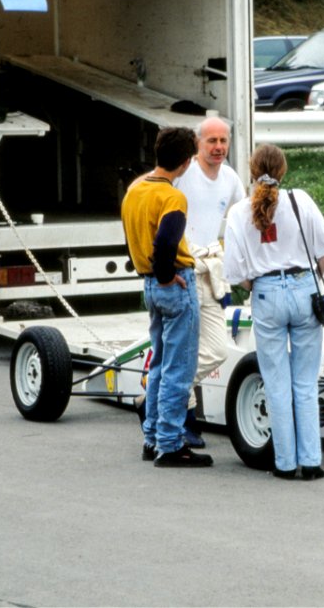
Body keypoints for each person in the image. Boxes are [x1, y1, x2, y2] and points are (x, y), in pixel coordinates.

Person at [222, 144, 324, 481]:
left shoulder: (238, 213)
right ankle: (312, 461)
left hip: (266, 292)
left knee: (276, 382)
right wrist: (306, 283)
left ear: (251, 171)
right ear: (283, 170)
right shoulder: (301, 200)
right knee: (305, 382)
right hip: (304, 289)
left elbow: (235, 273)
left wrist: (260, 285)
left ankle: (284, 463)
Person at [121, 126, 212, 468]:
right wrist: (166, 274)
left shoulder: (135, 189)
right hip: (174, 284)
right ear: (187, 162)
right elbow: (167, 242)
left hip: (148, 285)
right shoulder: (173, 197)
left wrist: (154, 276)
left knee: (159, 363)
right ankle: (171, 444)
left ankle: (152, 436)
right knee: (179, 368)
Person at [174, 117, 246, 448]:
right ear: (197, 143)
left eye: (223, 141)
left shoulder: (230, 178)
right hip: (180, 272)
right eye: (211, 141)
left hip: (211, 272)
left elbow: (243, 221)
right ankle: (183, 419)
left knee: (216, 349)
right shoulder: (183, 172)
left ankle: (156, 396)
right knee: (182, 349)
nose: (218, 147)